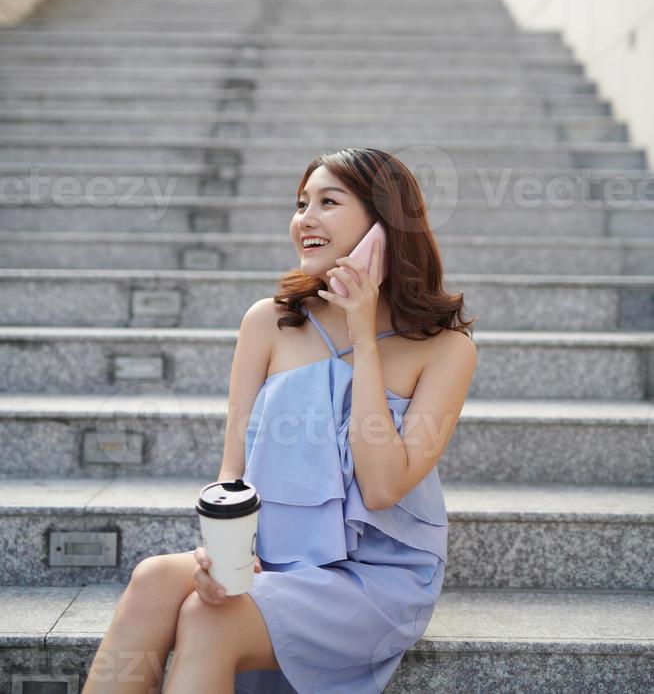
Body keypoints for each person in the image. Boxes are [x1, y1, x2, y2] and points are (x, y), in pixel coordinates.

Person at [82, 147, 478, 694]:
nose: (305, 220)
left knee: (208, 619)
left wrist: (364, 336)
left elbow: (385, 487)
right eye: (301, 204)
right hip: (272, 555)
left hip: (374, 578)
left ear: (385, 225)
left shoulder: (445, 349)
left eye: (328, 202)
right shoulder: (268, 322)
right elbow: (233, 471)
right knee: (155, 579)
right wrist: (222, 556)